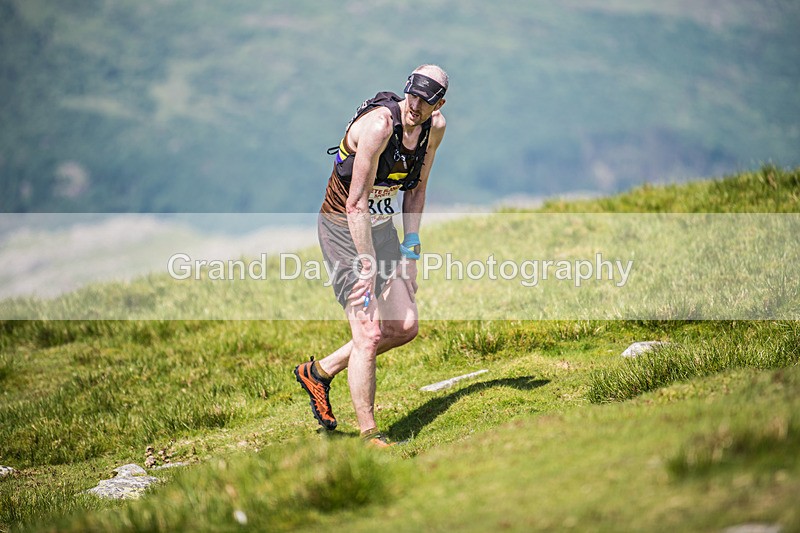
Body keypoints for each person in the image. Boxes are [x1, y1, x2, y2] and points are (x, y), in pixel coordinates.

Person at [294, 65, 448, 447]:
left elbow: (416, 190)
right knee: (369, 332)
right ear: (406, 91)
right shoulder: (380, 126)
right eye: (411, 96)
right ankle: (370, 436)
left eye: (425, 102)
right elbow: (355, 202)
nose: (415, 106)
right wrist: (365, 265)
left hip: (380, 230)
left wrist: (411, 249)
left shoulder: (435, 128)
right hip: (344, 229)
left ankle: (319, 371)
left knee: (404, 325)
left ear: (438, 104)